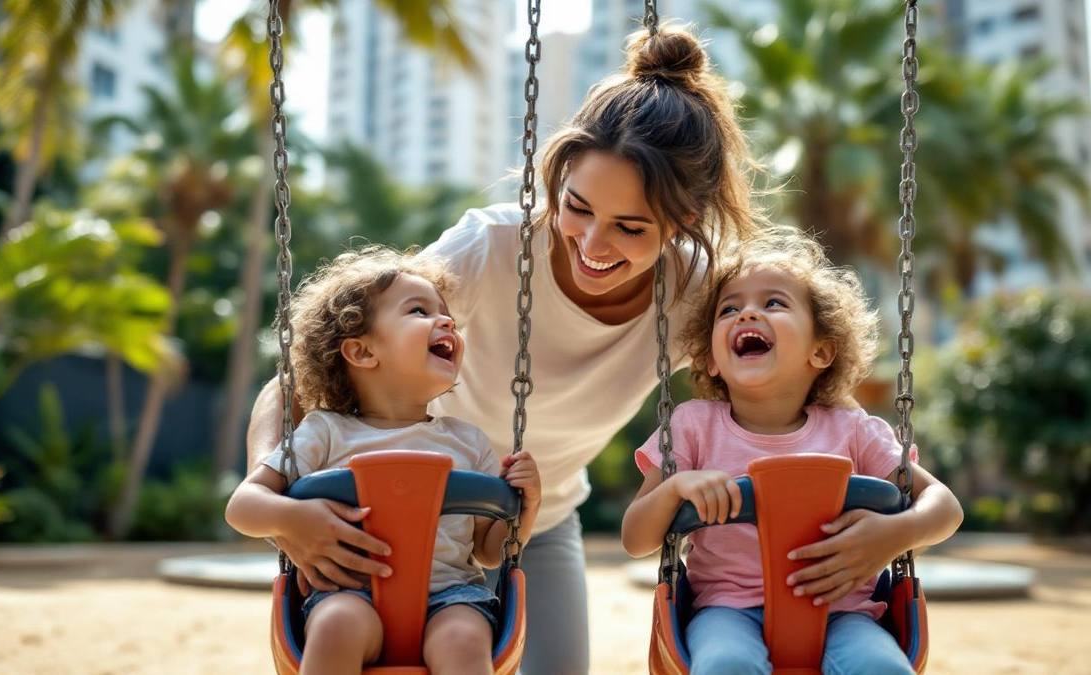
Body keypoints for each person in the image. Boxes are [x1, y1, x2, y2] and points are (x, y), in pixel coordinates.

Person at [247, 26, 763, 673]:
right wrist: (282, 509)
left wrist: (875, 520)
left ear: (683, 221)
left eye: (630, 228)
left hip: (532, 520)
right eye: (577, 207)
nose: (592, 245)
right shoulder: (490, 250)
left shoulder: (695, 294)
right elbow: (296, 379)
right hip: (399, 516)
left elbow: (792, 383)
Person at [620, 227, 964, 675]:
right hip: (726, 612)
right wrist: (675, 488)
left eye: (774, 303)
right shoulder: (692, 427)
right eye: (729, 308)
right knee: (725, 665)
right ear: (711, 359)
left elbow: (946, 507)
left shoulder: (853, 430)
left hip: (845, 612)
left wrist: (895, 534)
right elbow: (635, 540)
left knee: (883, 668)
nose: (747, 313)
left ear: (820, 351)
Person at [227, 247, 541, 675]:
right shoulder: (325, 431)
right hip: (348, 592)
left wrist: (527, 506)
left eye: (446, 314)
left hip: (451, 597)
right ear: (361, 352)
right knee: (336, 626)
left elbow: (489, 551)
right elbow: (242, 507)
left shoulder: (467, 442)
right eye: (419, 311)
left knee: (464, 640)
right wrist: (294, 519)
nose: (447, 322)